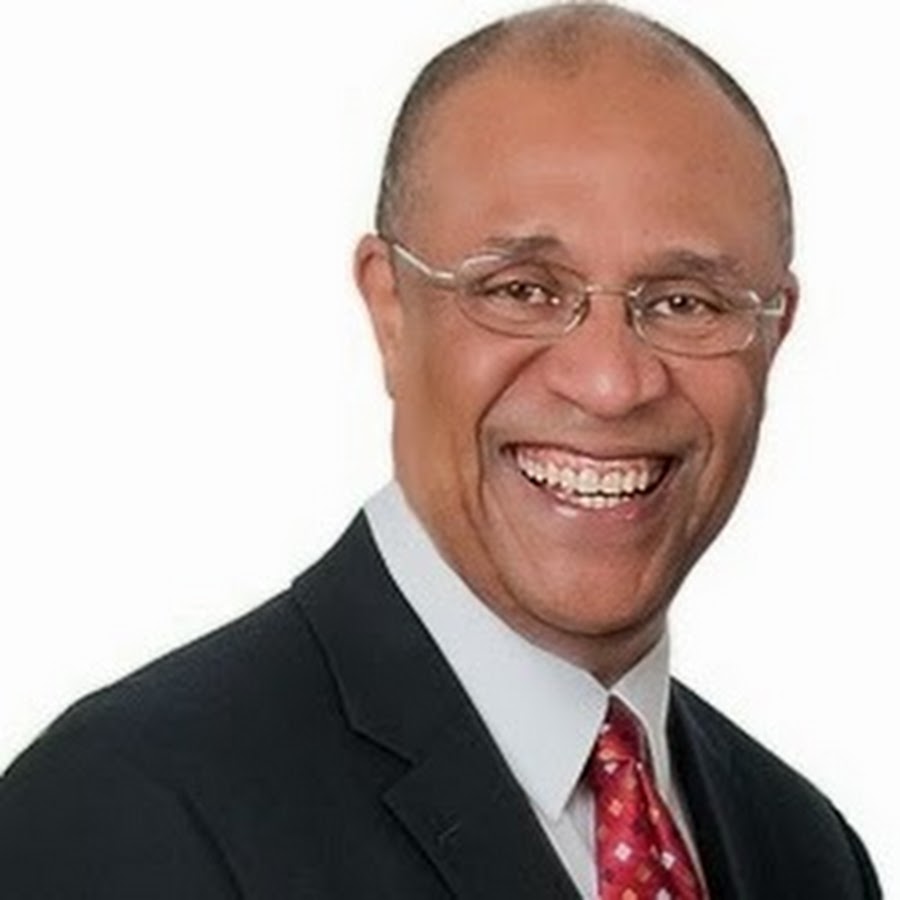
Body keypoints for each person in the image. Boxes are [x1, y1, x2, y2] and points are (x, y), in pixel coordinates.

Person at [0, 3, 881, 897]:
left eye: (686, 302)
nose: (611, 382)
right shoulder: (123, 814)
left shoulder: (808, 852)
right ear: (390, 310)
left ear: (775, 332)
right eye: (524, 290)